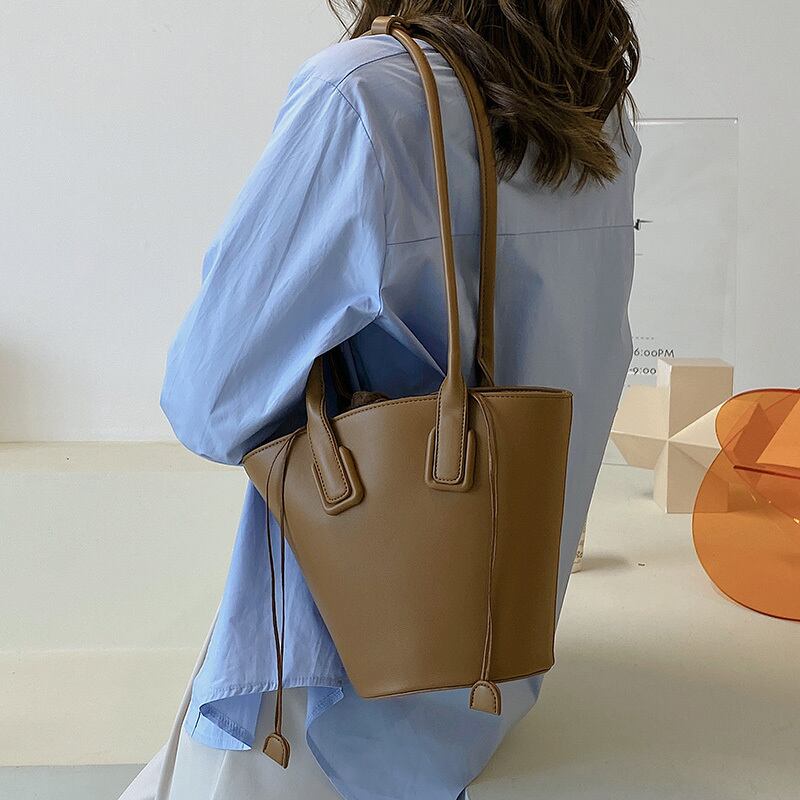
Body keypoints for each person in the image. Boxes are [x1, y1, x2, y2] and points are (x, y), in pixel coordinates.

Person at [121, 2, 640, 798]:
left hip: (332, 694)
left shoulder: (363, 95)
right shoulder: (597, 108)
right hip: (489, 679)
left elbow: (208, 401)